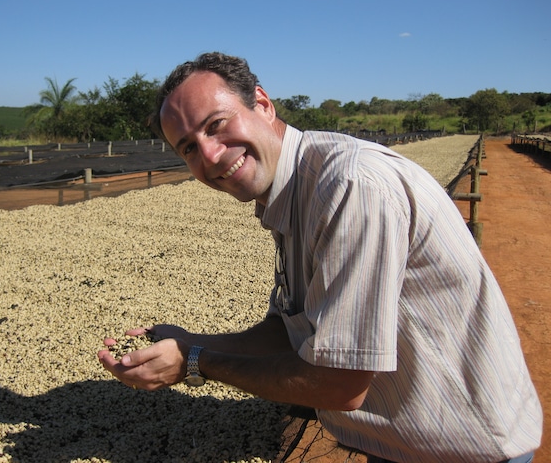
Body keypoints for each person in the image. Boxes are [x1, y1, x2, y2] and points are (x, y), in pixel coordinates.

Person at [97, 52, 542, 462]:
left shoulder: (351, 186)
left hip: (465, 447)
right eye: (189, 148)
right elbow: (287, 331)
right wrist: (191, 341)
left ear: (263, 105)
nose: (210, 156)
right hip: (407, 440)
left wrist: (195, 363)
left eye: (215, 124)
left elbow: (339, 382)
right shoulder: (288, 193)